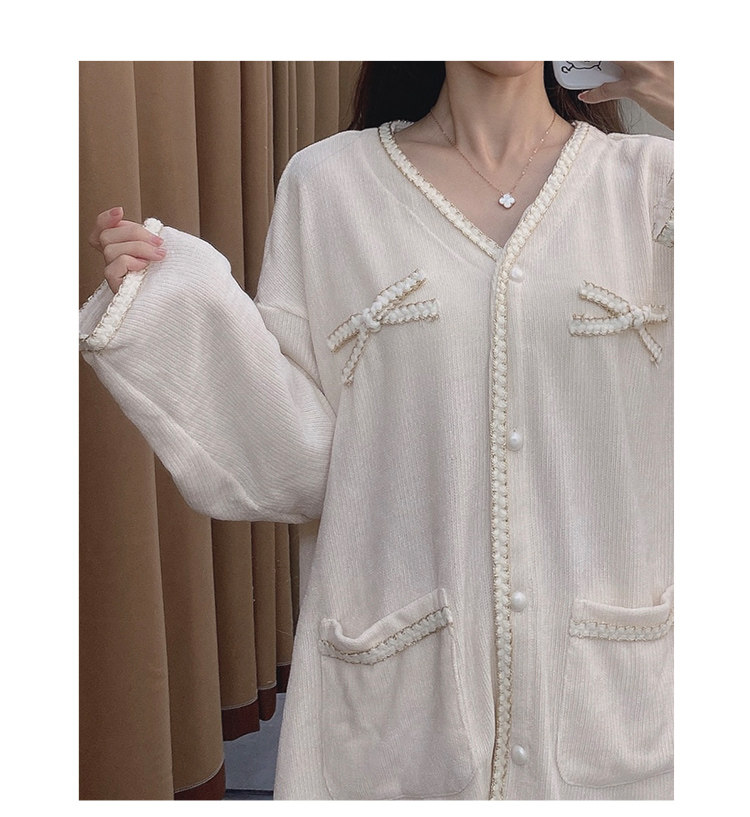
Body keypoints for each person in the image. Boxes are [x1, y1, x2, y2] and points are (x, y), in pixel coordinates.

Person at [80, 61, 674, 800]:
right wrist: (174, 304)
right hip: (402, 708)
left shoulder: (658, 183)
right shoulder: (330, 185)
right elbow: (296, 460)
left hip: (623, 708)